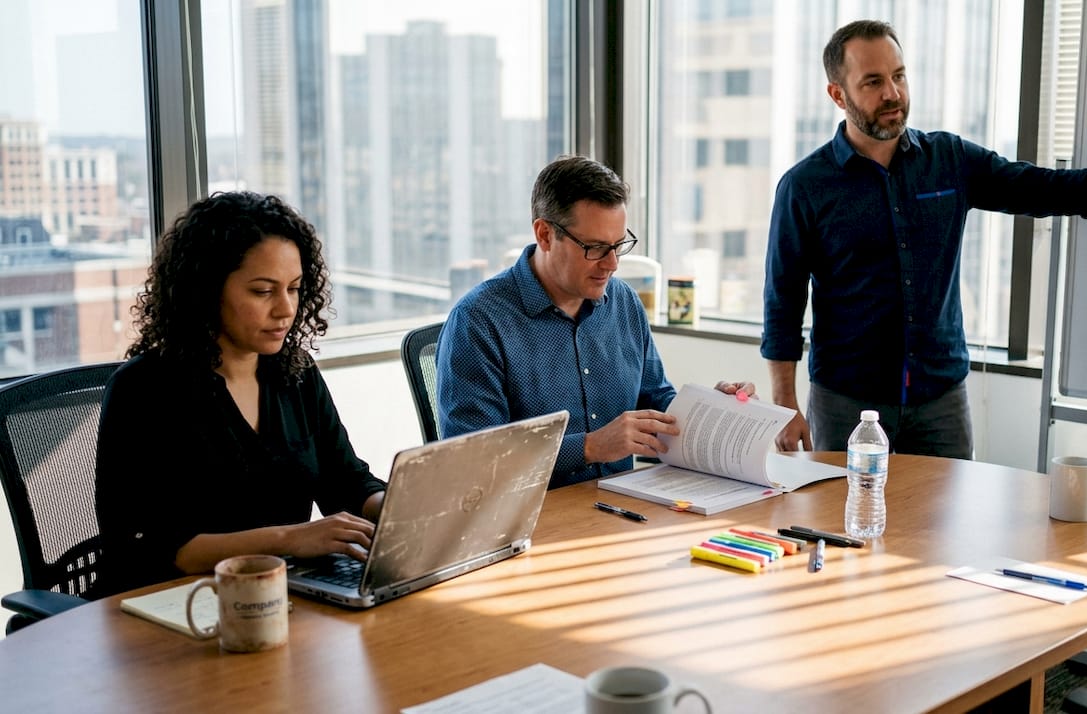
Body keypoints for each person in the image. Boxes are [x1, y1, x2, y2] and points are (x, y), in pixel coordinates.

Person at [762, 19, 1087, 458]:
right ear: (837, 94)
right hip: (847, 406)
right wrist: (785, 405)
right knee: (851, 539)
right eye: (873, 82)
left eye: (899, 75)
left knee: (943, 545)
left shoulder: (948, 158)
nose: (893, 93)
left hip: (941, 402)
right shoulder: (806, 187)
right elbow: (781, 304)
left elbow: (1051, 189)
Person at [95, 191, 387, 595]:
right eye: (263, 291)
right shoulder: (145, 389)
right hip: (168, 607)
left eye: (295, 288)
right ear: (207, 290)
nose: (286, 309)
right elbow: (156, 547)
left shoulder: (295, 372)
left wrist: (397, 508)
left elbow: (346, 481)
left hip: (274, 595)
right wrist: (290, 539)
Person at [436, 155, 752, 489]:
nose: (612, 264)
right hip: (533, 522)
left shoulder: (623, 302)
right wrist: (590, 447)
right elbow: (474, 460)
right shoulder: (478, 322)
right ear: (545, 235)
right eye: (596, 248)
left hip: (622, 508)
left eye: (619, 245)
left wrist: (712, 412)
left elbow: (656, 405)